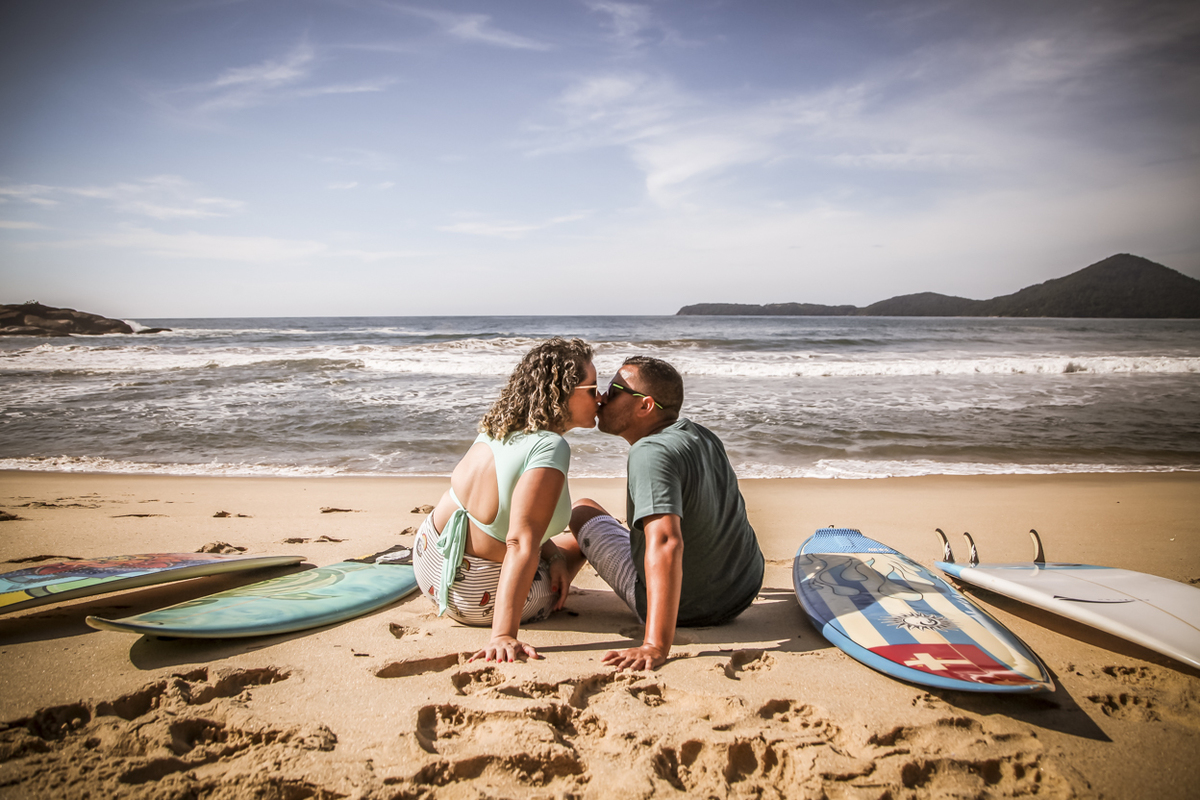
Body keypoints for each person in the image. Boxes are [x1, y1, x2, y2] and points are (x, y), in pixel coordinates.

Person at [567, 355, 764, 671]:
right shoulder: (702, 435)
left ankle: (565, 563)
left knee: (580, 511)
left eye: (615, 390)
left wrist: (655, 645)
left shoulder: (649, 452)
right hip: (742, 591)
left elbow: (667, 543)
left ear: (645, 406)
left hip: (687, 610)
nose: (601, 398)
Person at [412, 337, 597, 663]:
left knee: (556, 545)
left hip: (430, 565)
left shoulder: (499, 427)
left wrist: (552, 556)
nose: (602, 398)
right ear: (563, 393)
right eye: (593, 390)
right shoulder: (550, 447)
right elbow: (521, 540)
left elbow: (504, 519)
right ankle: (503, 622)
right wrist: (503, 635)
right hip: (475, 598)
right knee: (589, 528)